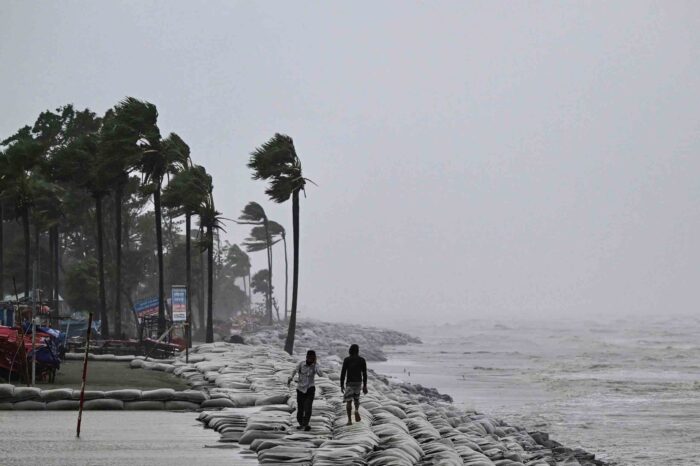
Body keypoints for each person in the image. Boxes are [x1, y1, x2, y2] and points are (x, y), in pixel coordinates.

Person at [288, 350, 323, 431]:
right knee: (300, 408)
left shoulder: (315, 365)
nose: (311, 359)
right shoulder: (301, 364)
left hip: (310, 388)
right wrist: (291, 377)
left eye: (312, 358)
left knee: (308, 407)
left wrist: (315, 365)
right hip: (300, 388)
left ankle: (306, 424)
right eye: (309, 357)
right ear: (307, 357)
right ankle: (301, 424)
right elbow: (294, 370)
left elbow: (320, 374)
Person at [340, 344, 368, 425]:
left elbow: (343, 372)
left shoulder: (347, 360)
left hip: (350, 382)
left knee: (349, 401)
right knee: (356, 399)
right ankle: (356, 410)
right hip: (358, 382)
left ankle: (349, 420)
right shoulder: (362, 360)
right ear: (358, 351)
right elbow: (365, 373)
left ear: (350, 350)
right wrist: (365, 385)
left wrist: (341, 384)